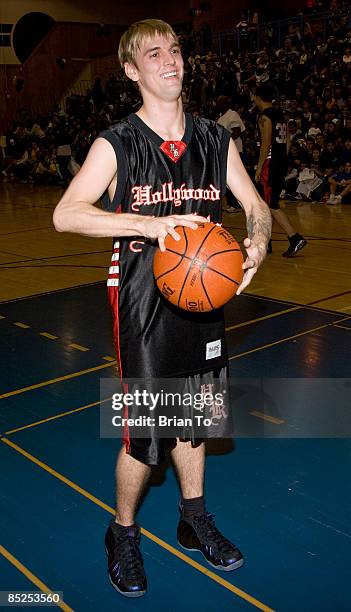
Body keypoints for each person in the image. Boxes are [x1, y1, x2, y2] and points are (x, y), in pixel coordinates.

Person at [53, 19, 271, 598]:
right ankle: (122, 532)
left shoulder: (213, 139)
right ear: (132, 70)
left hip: (205, 292)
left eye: (174, 49)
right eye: (154, 53)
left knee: (195, 418)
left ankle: (193, 516)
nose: (170, 60)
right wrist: (149, 225)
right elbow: (66, 213)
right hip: (143, 300)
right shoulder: (117, 142)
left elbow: (256, 204)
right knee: (146, 431)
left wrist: (258, 242)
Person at [252, 83, 308, 257]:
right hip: (280, 162)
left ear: (258, 97)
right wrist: (283, 159)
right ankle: (267, 241)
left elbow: (266, 143)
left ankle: (294, 237)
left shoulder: (264, 117)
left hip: (270, 163)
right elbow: (288, 140)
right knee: (267, 203)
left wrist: (260, 166)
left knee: (271, 203)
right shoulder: (280, 115)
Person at [217, 95, 246, 212]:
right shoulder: (222, 117)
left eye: (220, 103)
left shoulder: (232, 114)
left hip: (235, 151)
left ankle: (237, 204)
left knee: (236, 179)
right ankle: (230, 203)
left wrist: (225, 142)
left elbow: (237, 132)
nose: (217, 105)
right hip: (225, 152)